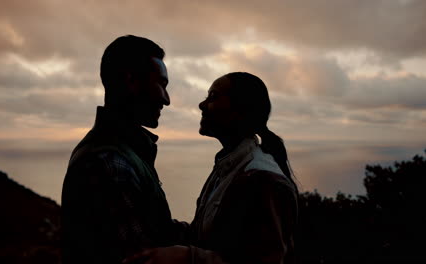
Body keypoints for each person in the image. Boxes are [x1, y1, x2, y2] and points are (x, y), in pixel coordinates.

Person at [124, 72, 299, 264]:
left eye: (213, 97)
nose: (202, 104)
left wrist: (186, 257)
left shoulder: (263, 178)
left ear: (240, 110)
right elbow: (205, 237)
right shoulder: (228, 167)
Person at [61, 35, 184, 264]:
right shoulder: (109, 162)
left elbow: (153, 228)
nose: (166, 99)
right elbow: (142, 257)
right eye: (162, 84)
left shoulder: (121, 151)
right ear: (131, 81)